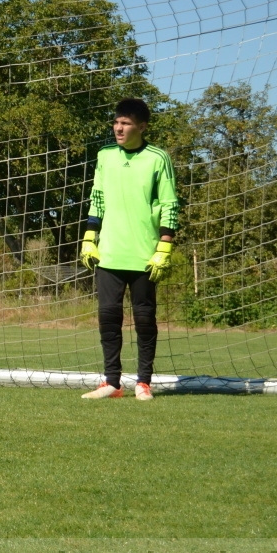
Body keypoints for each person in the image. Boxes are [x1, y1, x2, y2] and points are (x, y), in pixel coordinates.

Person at [79, 98, 179, 401]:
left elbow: (169, 204)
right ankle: (112, 382)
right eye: (116, 122)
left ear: (142, 126)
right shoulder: (105, 156)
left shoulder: (157, 158)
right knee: (108, 316)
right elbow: (97, 198)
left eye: (125, 123)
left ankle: (143, 382)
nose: (118, 128)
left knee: (145, 318)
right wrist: (89, 238)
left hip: (145, 254)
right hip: (109, 252)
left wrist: (164, 247)